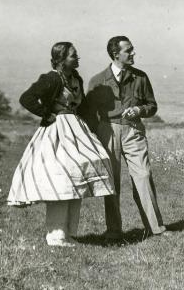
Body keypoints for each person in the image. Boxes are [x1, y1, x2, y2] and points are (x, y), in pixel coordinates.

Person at [7, 42, 115, 247]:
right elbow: (26, 98)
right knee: (61, 178)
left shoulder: (76, 79)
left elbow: (81, 105)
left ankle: (69, 233)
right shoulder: (51, 79)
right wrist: (47, 114)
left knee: (77, 176)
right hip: (56, 132)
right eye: (74, 55)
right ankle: (56, 235)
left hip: (77, 131)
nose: (78, 58)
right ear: (61, 59)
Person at [85, 36, 166, 239]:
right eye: (128, 50)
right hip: (107, 132)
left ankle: (155, 228)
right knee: (112, 182)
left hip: (133, 131)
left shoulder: (141, 77)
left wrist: (139, 109)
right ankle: (114, 231)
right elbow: (88, 113)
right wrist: (99, 133)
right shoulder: (97, 81)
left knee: (144, 176)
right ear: (116, 54)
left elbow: (152, 106)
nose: (133, 54)